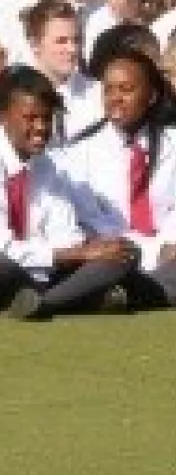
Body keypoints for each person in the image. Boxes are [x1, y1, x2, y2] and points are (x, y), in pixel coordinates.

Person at [0, 65, 137, 319]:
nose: (41, 127)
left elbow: (66, 235)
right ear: (1, 117)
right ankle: (64, 299)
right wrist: (75, 253)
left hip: (37, 270)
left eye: (46, 118)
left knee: (125, 252)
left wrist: (90, 250)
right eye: (30, 118)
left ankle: (41, 303)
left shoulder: (45, 162)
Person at [61, 49, 176, 309]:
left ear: (152, 96)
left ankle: (125, 297)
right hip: (113, 255)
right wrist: (149, 249)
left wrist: (168, 242)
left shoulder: (173, 142)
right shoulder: (79, 153)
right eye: (109, 90)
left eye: (126, 89)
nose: (116, 98)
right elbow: (89, 219)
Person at [24, 0, 101, 142]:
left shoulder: (98, 95)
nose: (72, 49)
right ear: (35, 44)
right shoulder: (15, 97)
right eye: (61, 41)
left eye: (76, 40)